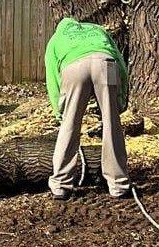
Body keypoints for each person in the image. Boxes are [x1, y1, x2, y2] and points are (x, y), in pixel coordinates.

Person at [44, 16, 131, 201]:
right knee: (111, 124)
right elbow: (120, 62)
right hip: (106, 62)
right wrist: (121, 98)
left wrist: (59, 112)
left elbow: (52, 78)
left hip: (74, 67)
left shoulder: (56, 39)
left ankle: (60, 185)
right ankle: (119, 185)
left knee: (70, 125)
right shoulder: (98, 30)